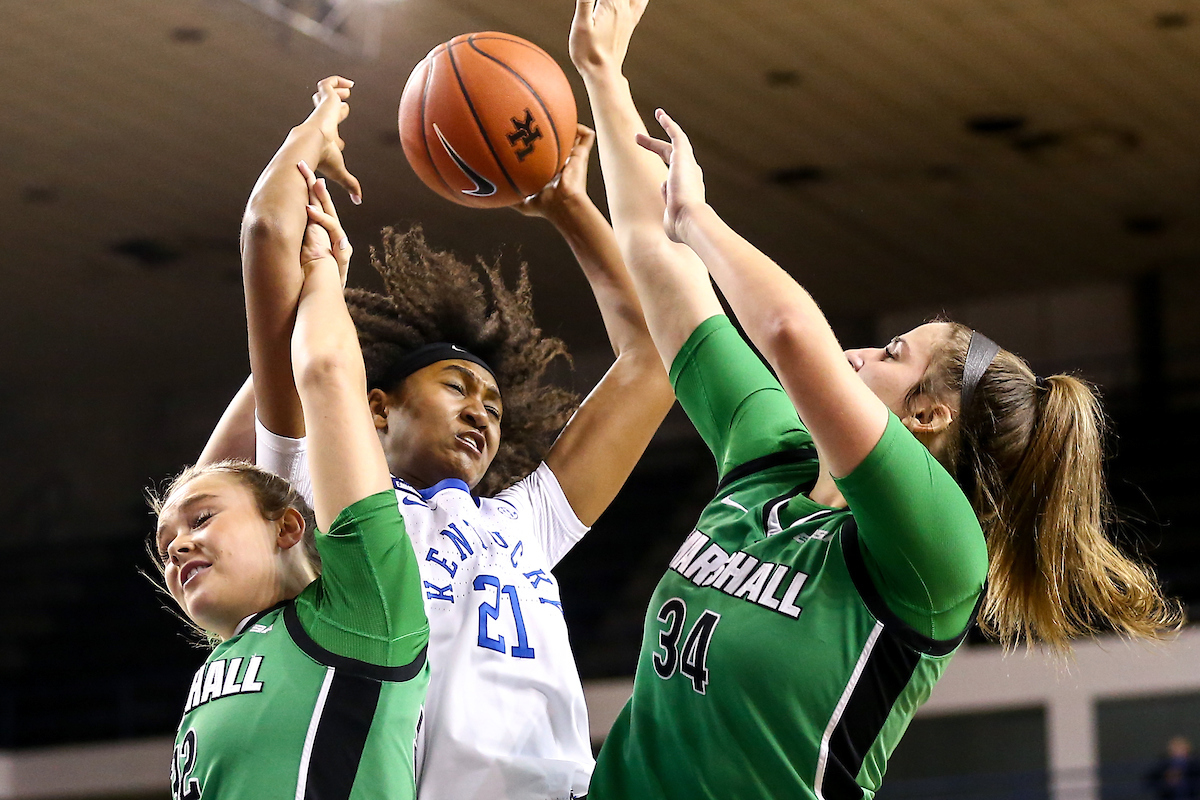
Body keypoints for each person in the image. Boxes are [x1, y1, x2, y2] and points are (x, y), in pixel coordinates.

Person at [568, 2, 1183, 798]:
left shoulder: (936, 548)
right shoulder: (772, 457)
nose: (859, 354)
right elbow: (659, 264)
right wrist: (603, 75)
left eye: (894, 354)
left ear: (928, 417)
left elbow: (791, 333)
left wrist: (698, 215)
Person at [203, 76, 674, 800]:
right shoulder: (316, 506)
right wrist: (312, 136)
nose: (484, 412)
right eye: (458, 387)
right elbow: (267, 234)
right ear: (378, 409)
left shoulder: (523, 519)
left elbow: (654, 358)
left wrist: (569, 207)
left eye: (493, 402)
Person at [150, 166, 429, 798]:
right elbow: (212, 480)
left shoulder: (361, 605)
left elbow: (326, 370)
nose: (175, 548)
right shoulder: (236, 649)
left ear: (289, 526)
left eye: (199, 523)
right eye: (170, 542)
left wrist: (326, 275)